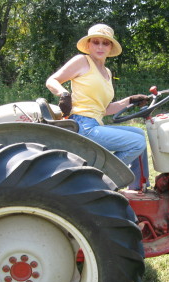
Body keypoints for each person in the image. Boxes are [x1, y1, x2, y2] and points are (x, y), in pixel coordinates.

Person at [46, 23, 150, 190]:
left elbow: (105, 109)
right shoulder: (82, 61)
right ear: (88, 45)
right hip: (82, 125)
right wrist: (64, 94)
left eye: (105, 43)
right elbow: (52, 81)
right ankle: (99, 182)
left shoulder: (107, 72)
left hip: (95, 123)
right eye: (96, 42)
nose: (100, 46)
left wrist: (130, 100)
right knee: (137, 142)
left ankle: (139, 187)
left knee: (139, 133)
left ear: (110, 47)